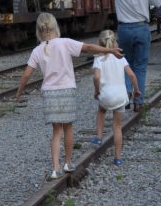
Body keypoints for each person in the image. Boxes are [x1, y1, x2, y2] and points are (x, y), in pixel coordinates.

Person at [16, 12, 124, 178]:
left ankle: (55, 168)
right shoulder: (65, 43)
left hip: (50, 94)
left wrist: (19, 92)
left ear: (39, 30)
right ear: (55, 27)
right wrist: (109, 50)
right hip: (67, 91)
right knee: (68, 127)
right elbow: (88, 48)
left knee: (56, 131)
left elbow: (26, 75)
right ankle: (68, 162)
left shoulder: (37, 50)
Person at [91, 29, 140, 166]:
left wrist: (97, 91)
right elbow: (132, 76)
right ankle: (118, 158)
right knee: (117, 127)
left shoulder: (98, 59)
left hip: (106, 96)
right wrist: (136, 90)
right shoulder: (121, 58)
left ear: (100, 44)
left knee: (101, 110)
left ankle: (99, 137)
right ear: (114, 43)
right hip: (121, 96)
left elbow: (96, 77)